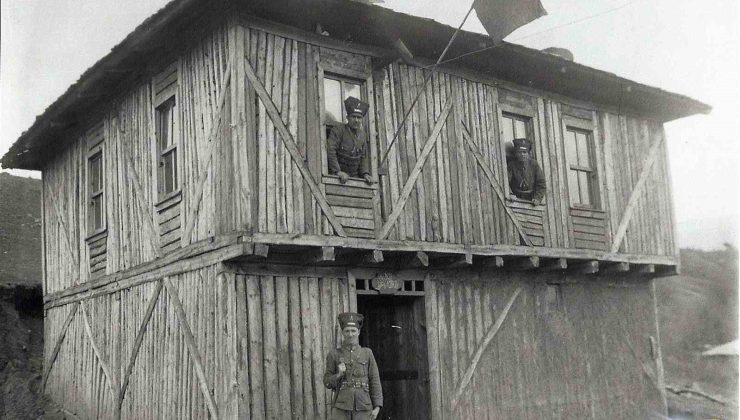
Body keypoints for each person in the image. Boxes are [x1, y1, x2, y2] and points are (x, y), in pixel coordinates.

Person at [324, 312, 382, 420]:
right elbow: (327, 381)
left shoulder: (367, 353)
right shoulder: (334, 354)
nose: (350, 334)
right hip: (341, 408)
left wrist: (377, 407)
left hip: (364, 408)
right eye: (347, 331)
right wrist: (338, 375)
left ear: (358, 332)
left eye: (353, 331)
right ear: (342, 332)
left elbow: (375, 381)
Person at [327, 97, 374, 185]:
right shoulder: (338, 130)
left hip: (354, 177)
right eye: (353, 117)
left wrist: (365, 174)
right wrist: (338, 171)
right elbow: (331, 151)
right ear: (347, 117)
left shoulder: (362, 135)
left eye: (359, 118)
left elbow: (363, 157)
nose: (356, 120)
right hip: (336, 176)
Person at [508, 138, 546, 205]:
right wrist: (510, 194)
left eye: (524, 152)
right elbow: (506, 181)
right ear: (516, 153)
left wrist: (537, 198)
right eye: (519, 152)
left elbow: (541, 183)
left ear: (528, 154)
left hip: (530, 200)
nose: (522, 154)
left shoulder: (534, 164)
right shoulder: (512, 165)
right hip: (516, 199)